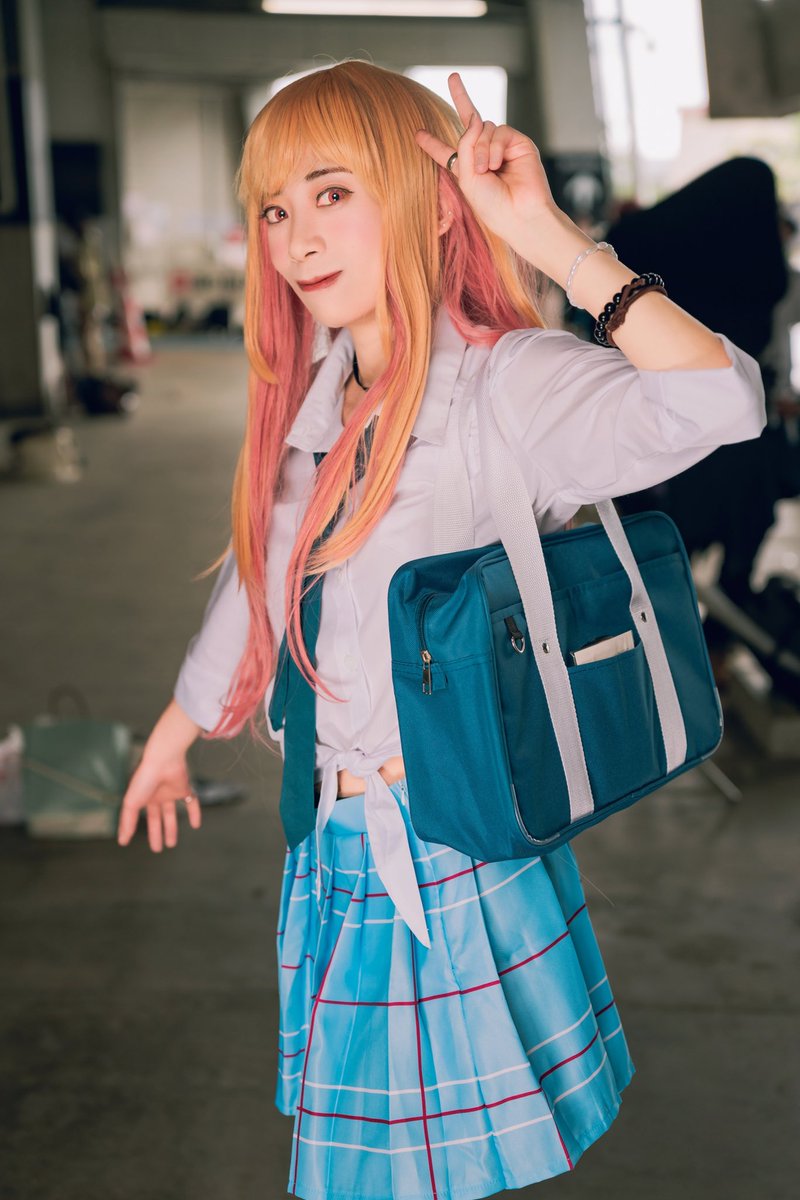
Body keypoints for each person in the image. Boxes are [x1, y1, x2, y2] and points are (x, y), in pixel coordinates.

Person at [116, 61, 766, 1200]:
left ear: (428, 206)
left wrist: (550, 239)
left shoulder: (505, 389)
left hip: (448, 849)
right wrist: (173, 735)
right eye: (274, 209)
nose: (296, 237)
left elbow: (722, 403)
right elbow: (260, 593)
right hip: (332, 847)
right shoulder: (317, 405)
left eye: (332, 193)